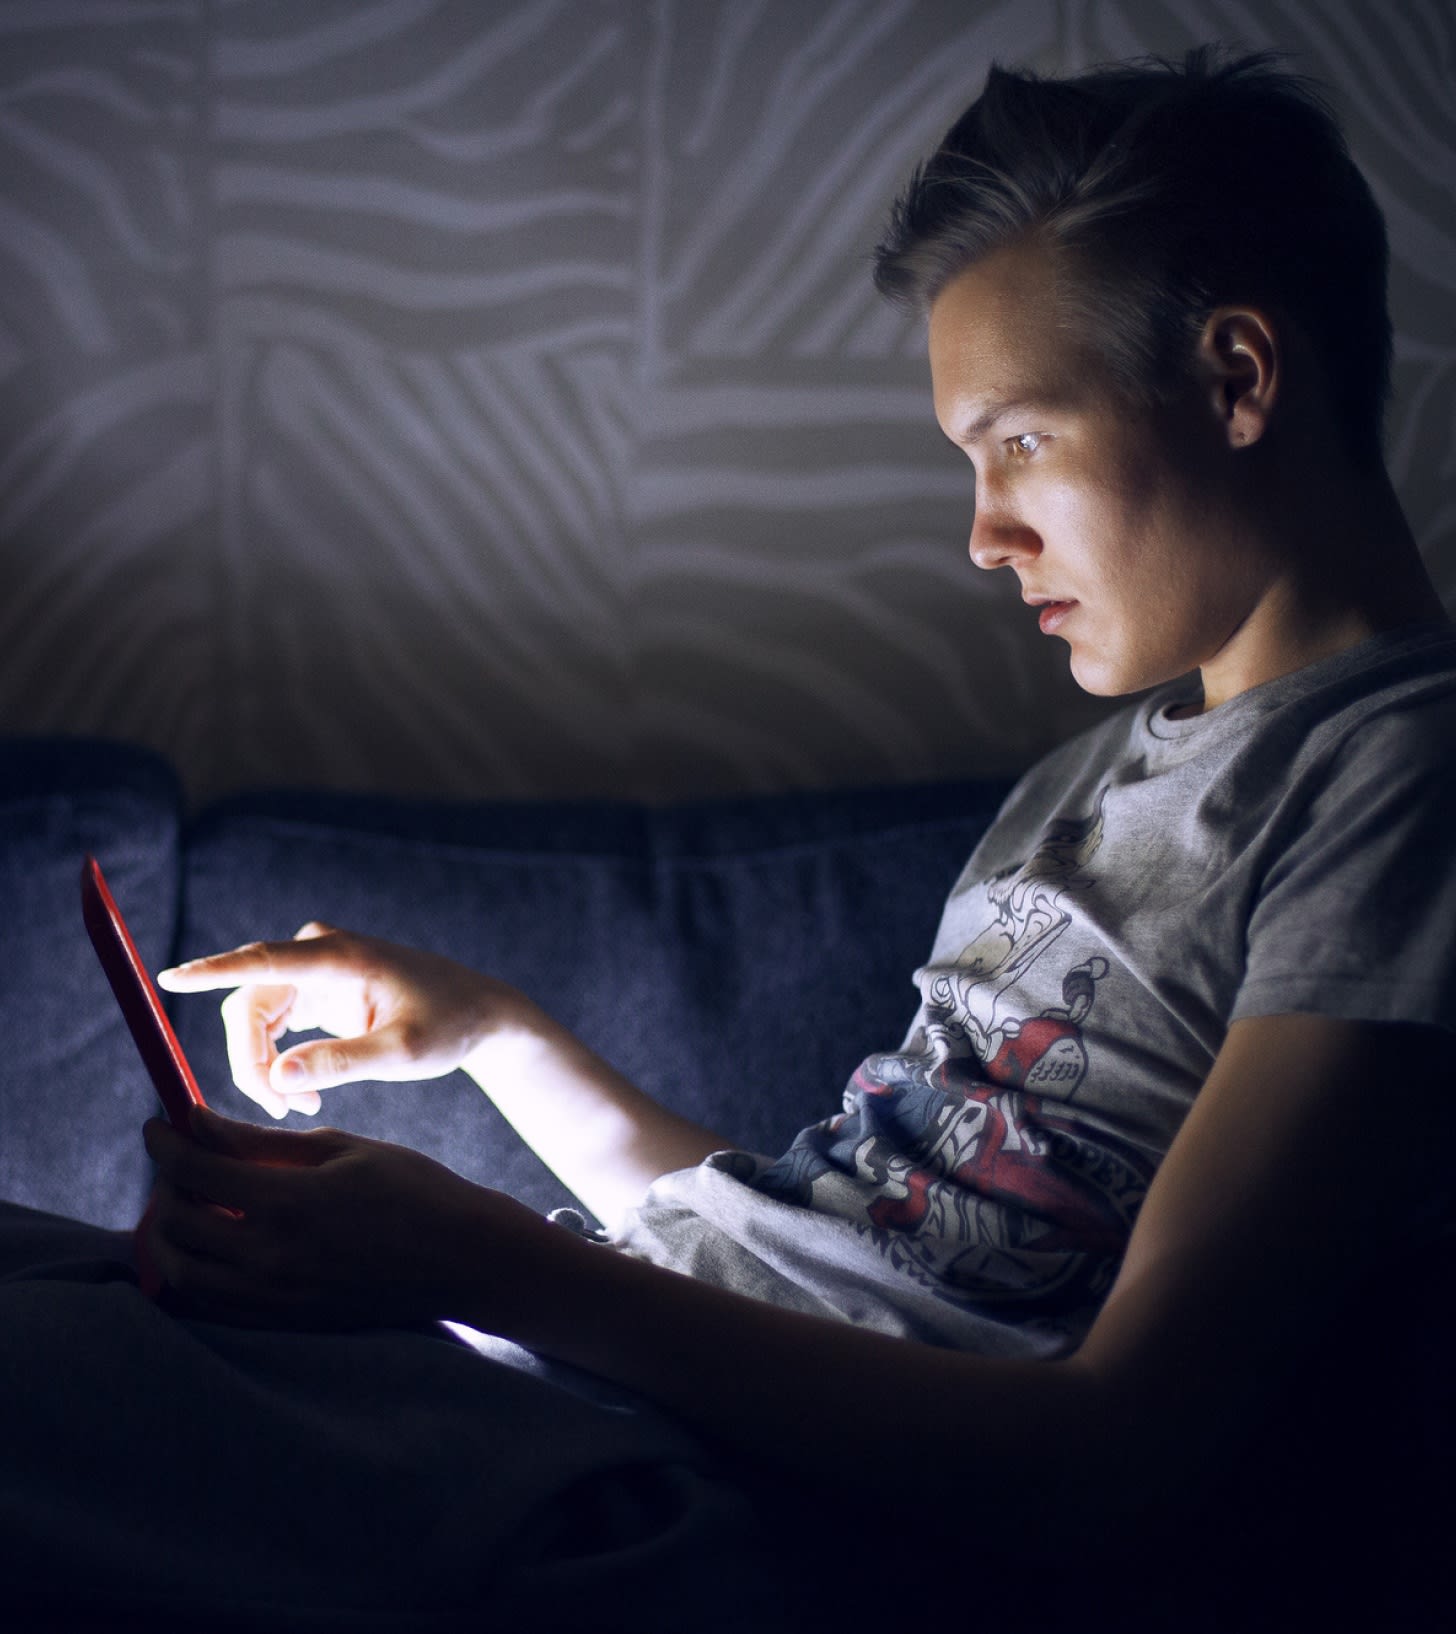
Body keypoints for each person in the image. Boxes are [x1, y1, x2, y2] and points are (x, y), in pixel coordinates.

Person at [6, 45, 1455, 1630]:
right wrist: (492, 1033)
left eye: (1021, 443)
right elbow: (838, 1243)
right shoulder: (1082, 777)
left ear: (1239, 378)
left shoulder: (1397, 778)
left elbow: (1109, 1454)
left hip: (707, 1506)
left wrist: (473, 1258)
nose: (983, 534)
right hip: (594, 1399)